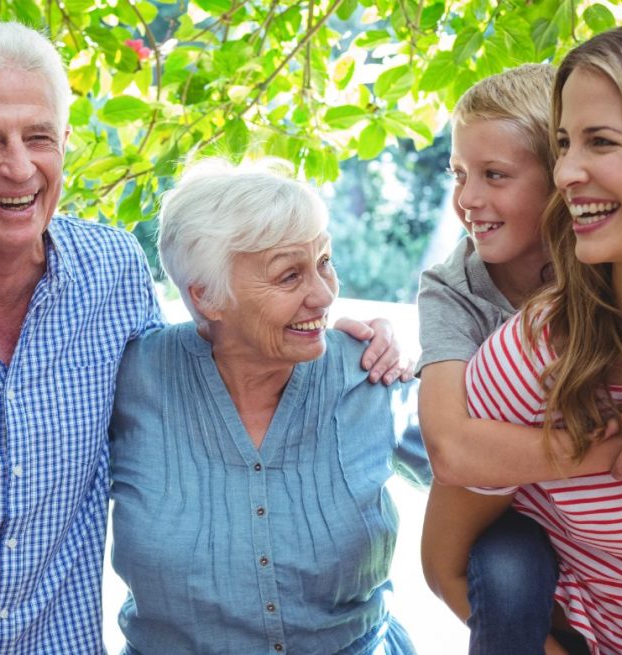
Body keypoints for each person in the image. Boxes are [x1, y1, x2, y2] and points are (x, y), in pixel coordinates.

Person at [0, 21, 406, 654]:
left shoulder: (109, 271)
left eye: (38, 137)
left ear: (64, 143)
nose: (19, 165)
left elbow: (208, 356)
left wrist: (347, 340)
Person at [425, 18, 622, 654]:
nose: (570, 173)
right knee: (508, 562)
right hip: (549, 555)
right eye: (567, 144)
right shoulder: (511, 340)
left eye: (601, 141)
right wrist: (615, 444)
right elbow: (451, 454)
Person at [109, 158, 425, 655]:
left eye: (325, 262)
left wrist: (434, 361)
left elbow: (489, 471)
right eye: (289, 276)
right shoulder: (130, 379)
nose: (324, 296)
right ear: (207, 296)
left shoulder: (368, 371)